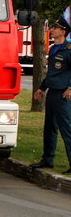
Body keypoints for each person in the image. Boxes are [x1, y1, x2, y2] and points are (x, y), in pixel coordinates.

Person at [30, 12, 71, 175]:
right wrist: (41, 87)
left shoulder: (68, 50)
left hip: (63, 95)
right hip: (52, 92)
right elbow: (51, 72)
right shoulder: (54, 48)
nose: (52, 30)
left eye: (55, 28)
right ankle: (48, 159)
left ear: (63, 32)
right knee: (49, 128)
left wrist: (70, 88)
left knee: (66, 129)